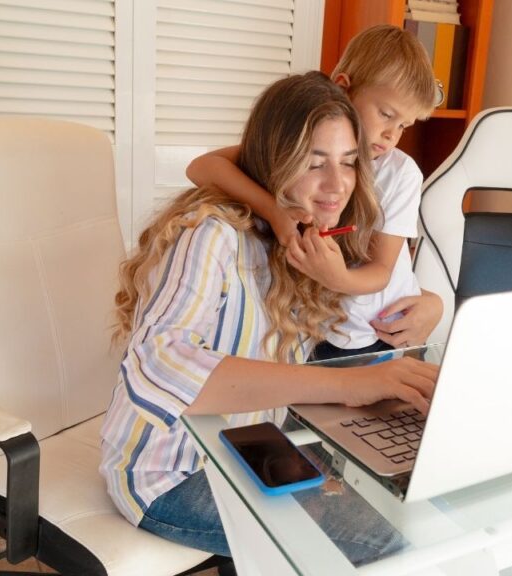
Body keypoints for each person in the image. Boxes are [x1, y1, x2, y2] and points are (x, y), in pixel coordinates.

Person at [100, 71, 439, 561]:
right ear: (274, 159)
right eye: (315, 162)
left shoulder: (307, 239)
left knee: (412, 507)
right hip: (171, 475)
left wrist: (432, 303)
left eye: (348, 163)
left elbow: (376, 288)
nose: (337, 184)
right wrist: (346, 387)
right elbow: (157, 362)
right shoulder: (212, 234)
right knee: (389, 543)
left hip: (251, 448)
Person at [187, 25, 441, 359]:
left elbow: (382, 271)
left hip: (379, 332)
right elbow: (201, 167)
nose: (392, 135)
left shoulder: (398, 173)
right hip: (317, 324)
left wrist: (338, 279)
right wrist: (274, 211)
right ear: (343, 90)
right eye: (386, 115)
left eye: (404, 126)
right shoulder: (300, 144)